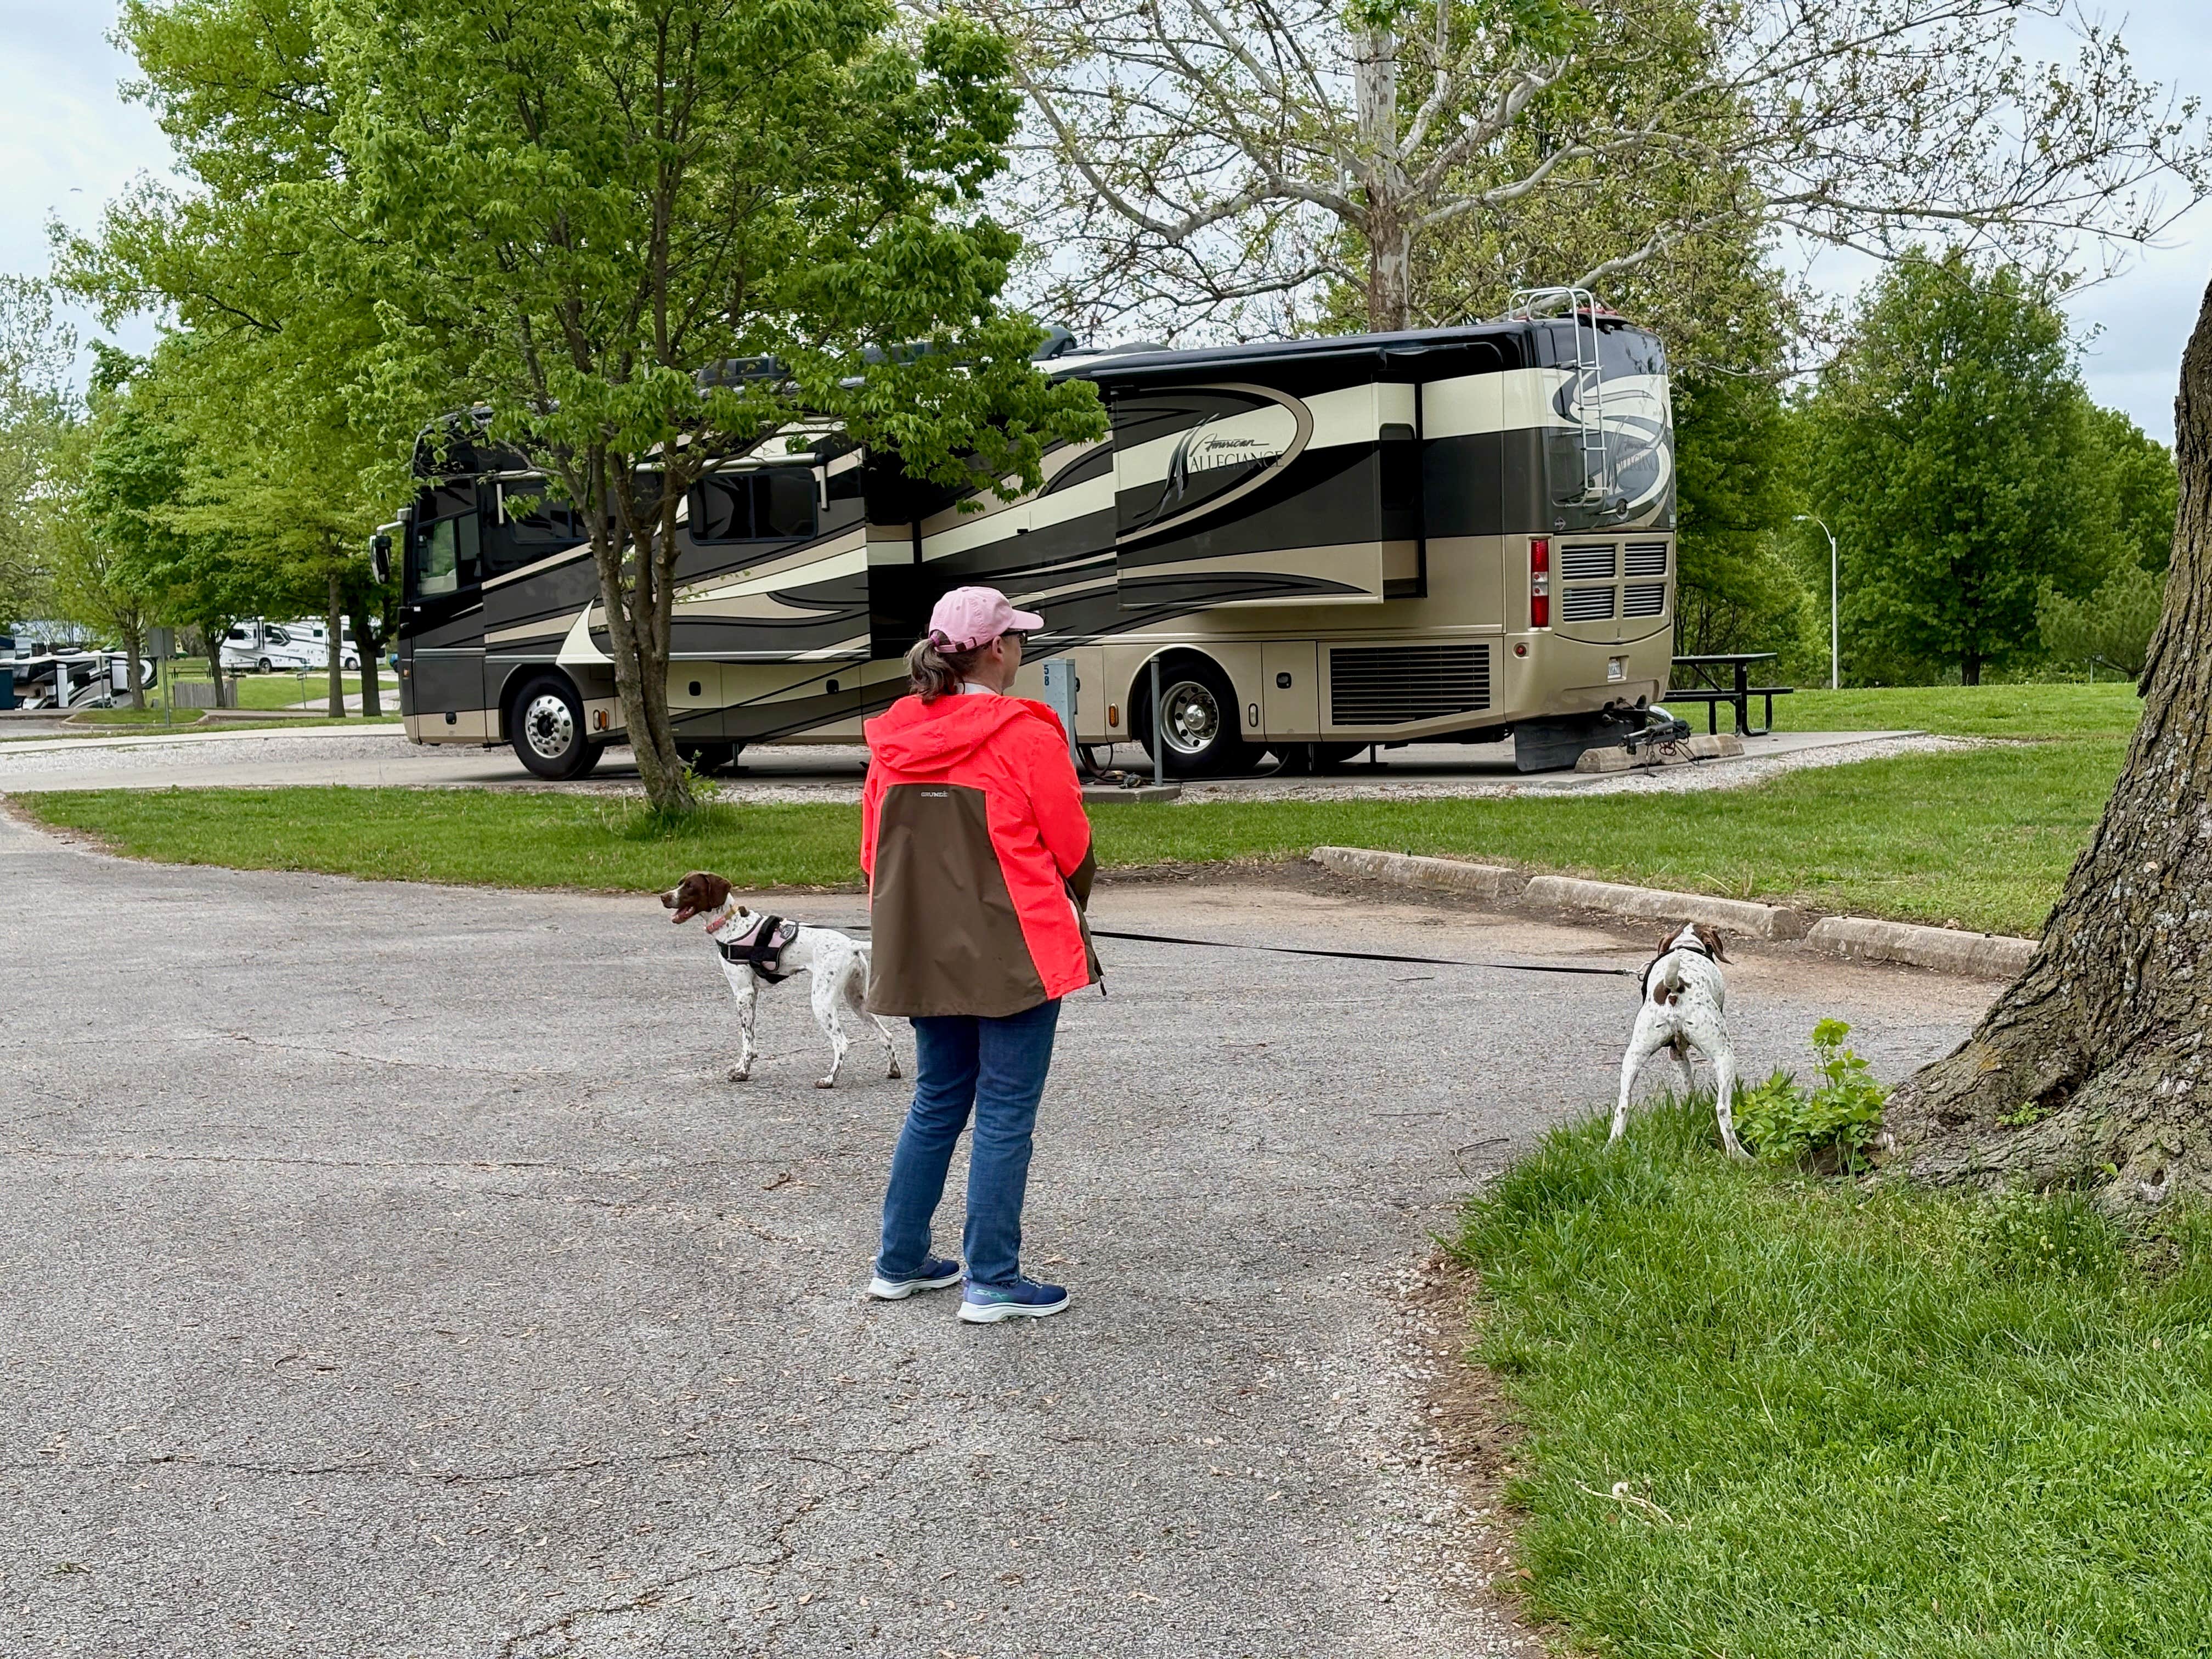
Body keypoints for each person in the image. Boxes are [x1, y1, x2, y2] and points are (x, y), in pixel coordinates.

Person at [859, 586, 1099, 1323]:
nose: (1022, 649)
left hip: (927, 950)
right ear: (996, 648)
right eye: (1018, 638)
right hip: (1015, 949)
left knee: (938, 1100)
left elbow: (873, 858)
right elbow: (1071, 844)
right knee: (1003, 1111)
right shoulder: (1027, 735)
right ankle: (991, 1277)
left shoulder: (894, 740)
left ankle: (899, 1262)